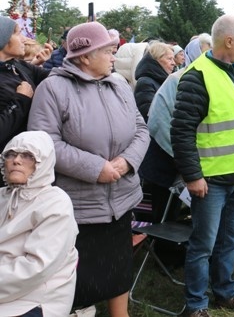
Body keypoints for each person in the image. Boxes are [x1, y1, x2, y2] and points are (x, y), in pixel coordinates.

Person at [27, 21, 150, 316]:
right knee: (76, 282)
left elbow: (141, 129)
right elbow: (46, 143)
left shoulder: (119, 84)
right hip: (79, 208)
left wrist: (127, 161)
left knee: (119, 270)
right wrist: (96, 168)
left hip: (121, 201)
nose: (113, 56)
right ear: (84, 56)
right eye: (108, 51)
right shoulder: (53, 89)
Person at [171, 14, 234, 315]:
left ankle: (225, 293)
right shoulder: (197, 76)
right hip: (210, 180)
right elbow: (181, 131)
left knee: (230, 239)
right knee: (203, 245)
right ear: (230, 40)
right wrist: (193, 176)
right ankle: (195, 305)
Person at [0, 131, 78, 317]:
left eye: (27, 156)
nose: (16, 161)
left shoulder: (55, 203)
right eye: (11, 154)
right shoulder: (3, 196)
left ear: (43, 162)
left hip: (34, 298)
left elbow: (36, 268)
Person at [0, 16, 50, 155]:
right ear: (3, 39)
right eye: (17, 33)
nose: (24, 39)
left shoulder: (18, 65)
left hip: (27, 158)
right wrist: (20, 99)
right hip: (7, 164)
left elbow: (54, 77)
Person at [133, 42, 175, 122]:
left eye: (173, 59)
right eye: (169, 59)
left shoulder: (164, 81)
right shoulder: (145, 83)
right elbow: (149, 116)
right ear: (156, 60)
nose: (174, 63)